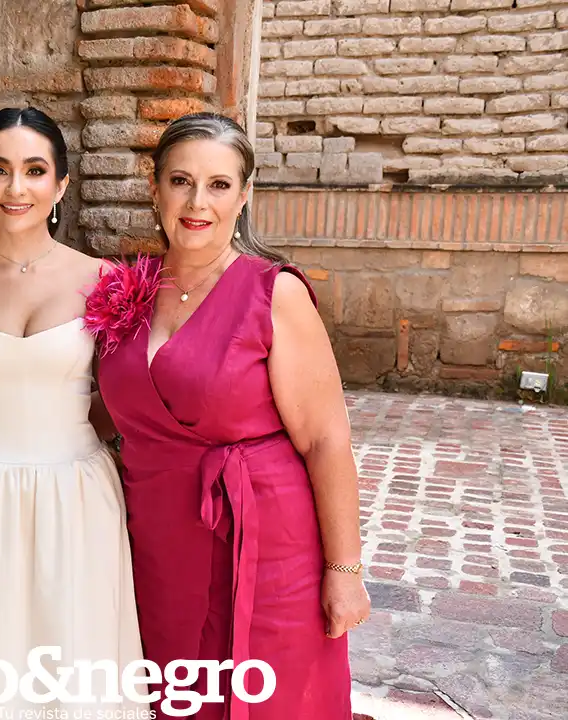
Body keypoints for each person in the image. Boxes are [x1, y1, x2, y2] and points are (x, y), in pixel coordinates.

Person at [90, 112, 370, 720]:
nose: (198, 203)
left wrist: (344, 571)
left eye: (219, 185)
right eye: (181, 181)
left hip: (262, 541)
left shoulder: (274, 292)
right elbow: (109, 412)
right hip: (156, 543)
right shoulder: (124, 288)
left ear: (243, 195)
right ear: (155, 188)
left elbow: (326, 439)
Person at [0, 107, 145, 720]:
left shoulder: (105, 281)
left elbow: (126, 399)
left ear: (61, 184)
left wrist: (67, 427)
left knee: (74, 656)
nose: (16, 187)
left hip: (75, 491)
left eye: (35, 170)